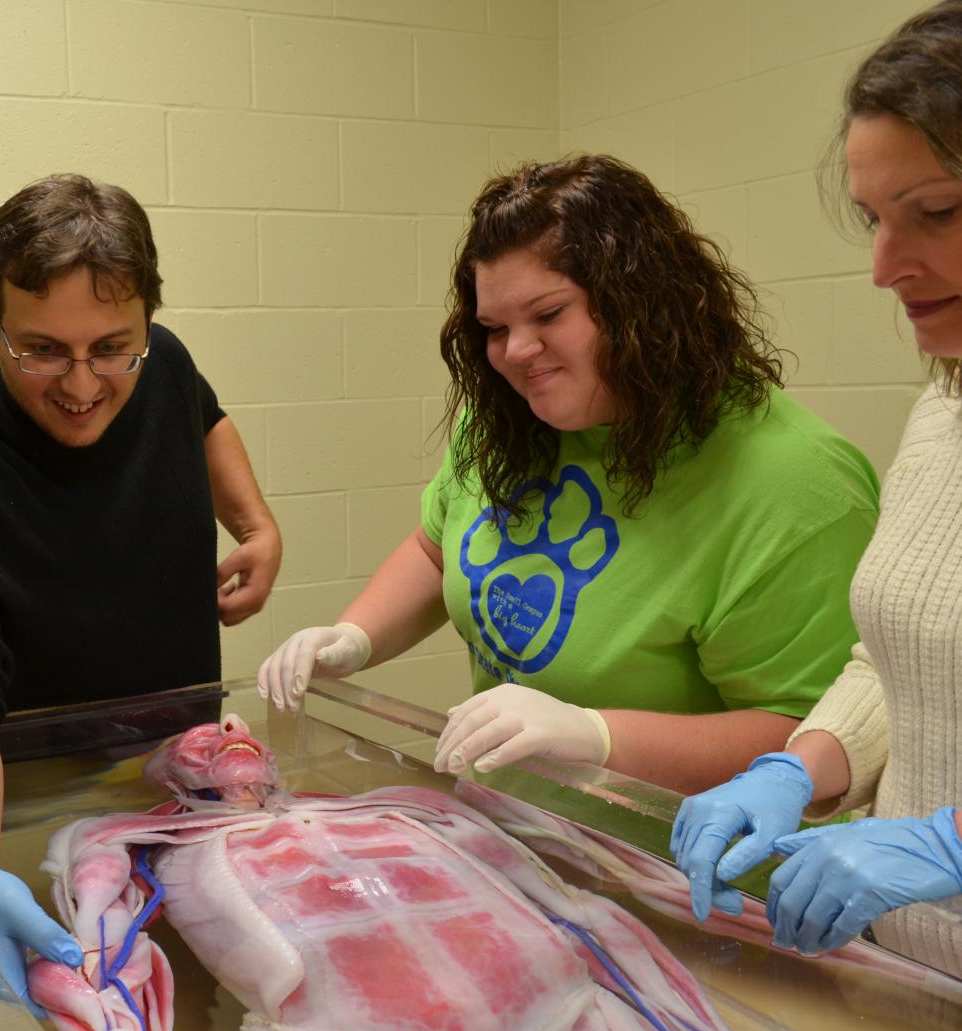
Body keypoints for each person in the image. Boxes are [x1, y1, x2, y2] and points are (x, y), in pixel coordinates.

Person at [260, 154, 880, 798]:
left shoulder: (793, 482)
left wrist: (601, 738)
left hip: (689, 870)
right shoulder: (512, 418)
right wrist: (354, 637)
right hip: (523, 829)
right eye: (496, 329)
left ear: (642, 302)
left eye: (549, 315)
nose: (518, 352)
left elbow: (815, 736)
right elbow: (436, 548)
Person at [0, 173, 281, 1011]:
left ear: (146, 325)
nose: (84, 384)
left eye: (109, 348)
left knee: (201, 1015)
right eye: (44, 350)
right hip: (42, 821)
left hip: (182, 792)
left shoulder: (159, 363)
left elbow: (201, 413)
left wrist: (255, 524)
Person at [672, 1, 962, 974]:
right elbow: (901, 660)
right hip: (921, 976)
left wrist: (948, 845)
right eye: (874, 220)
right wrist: (802, 765)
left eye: (939, 213)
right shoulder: (943, 409)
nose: (885, 267)